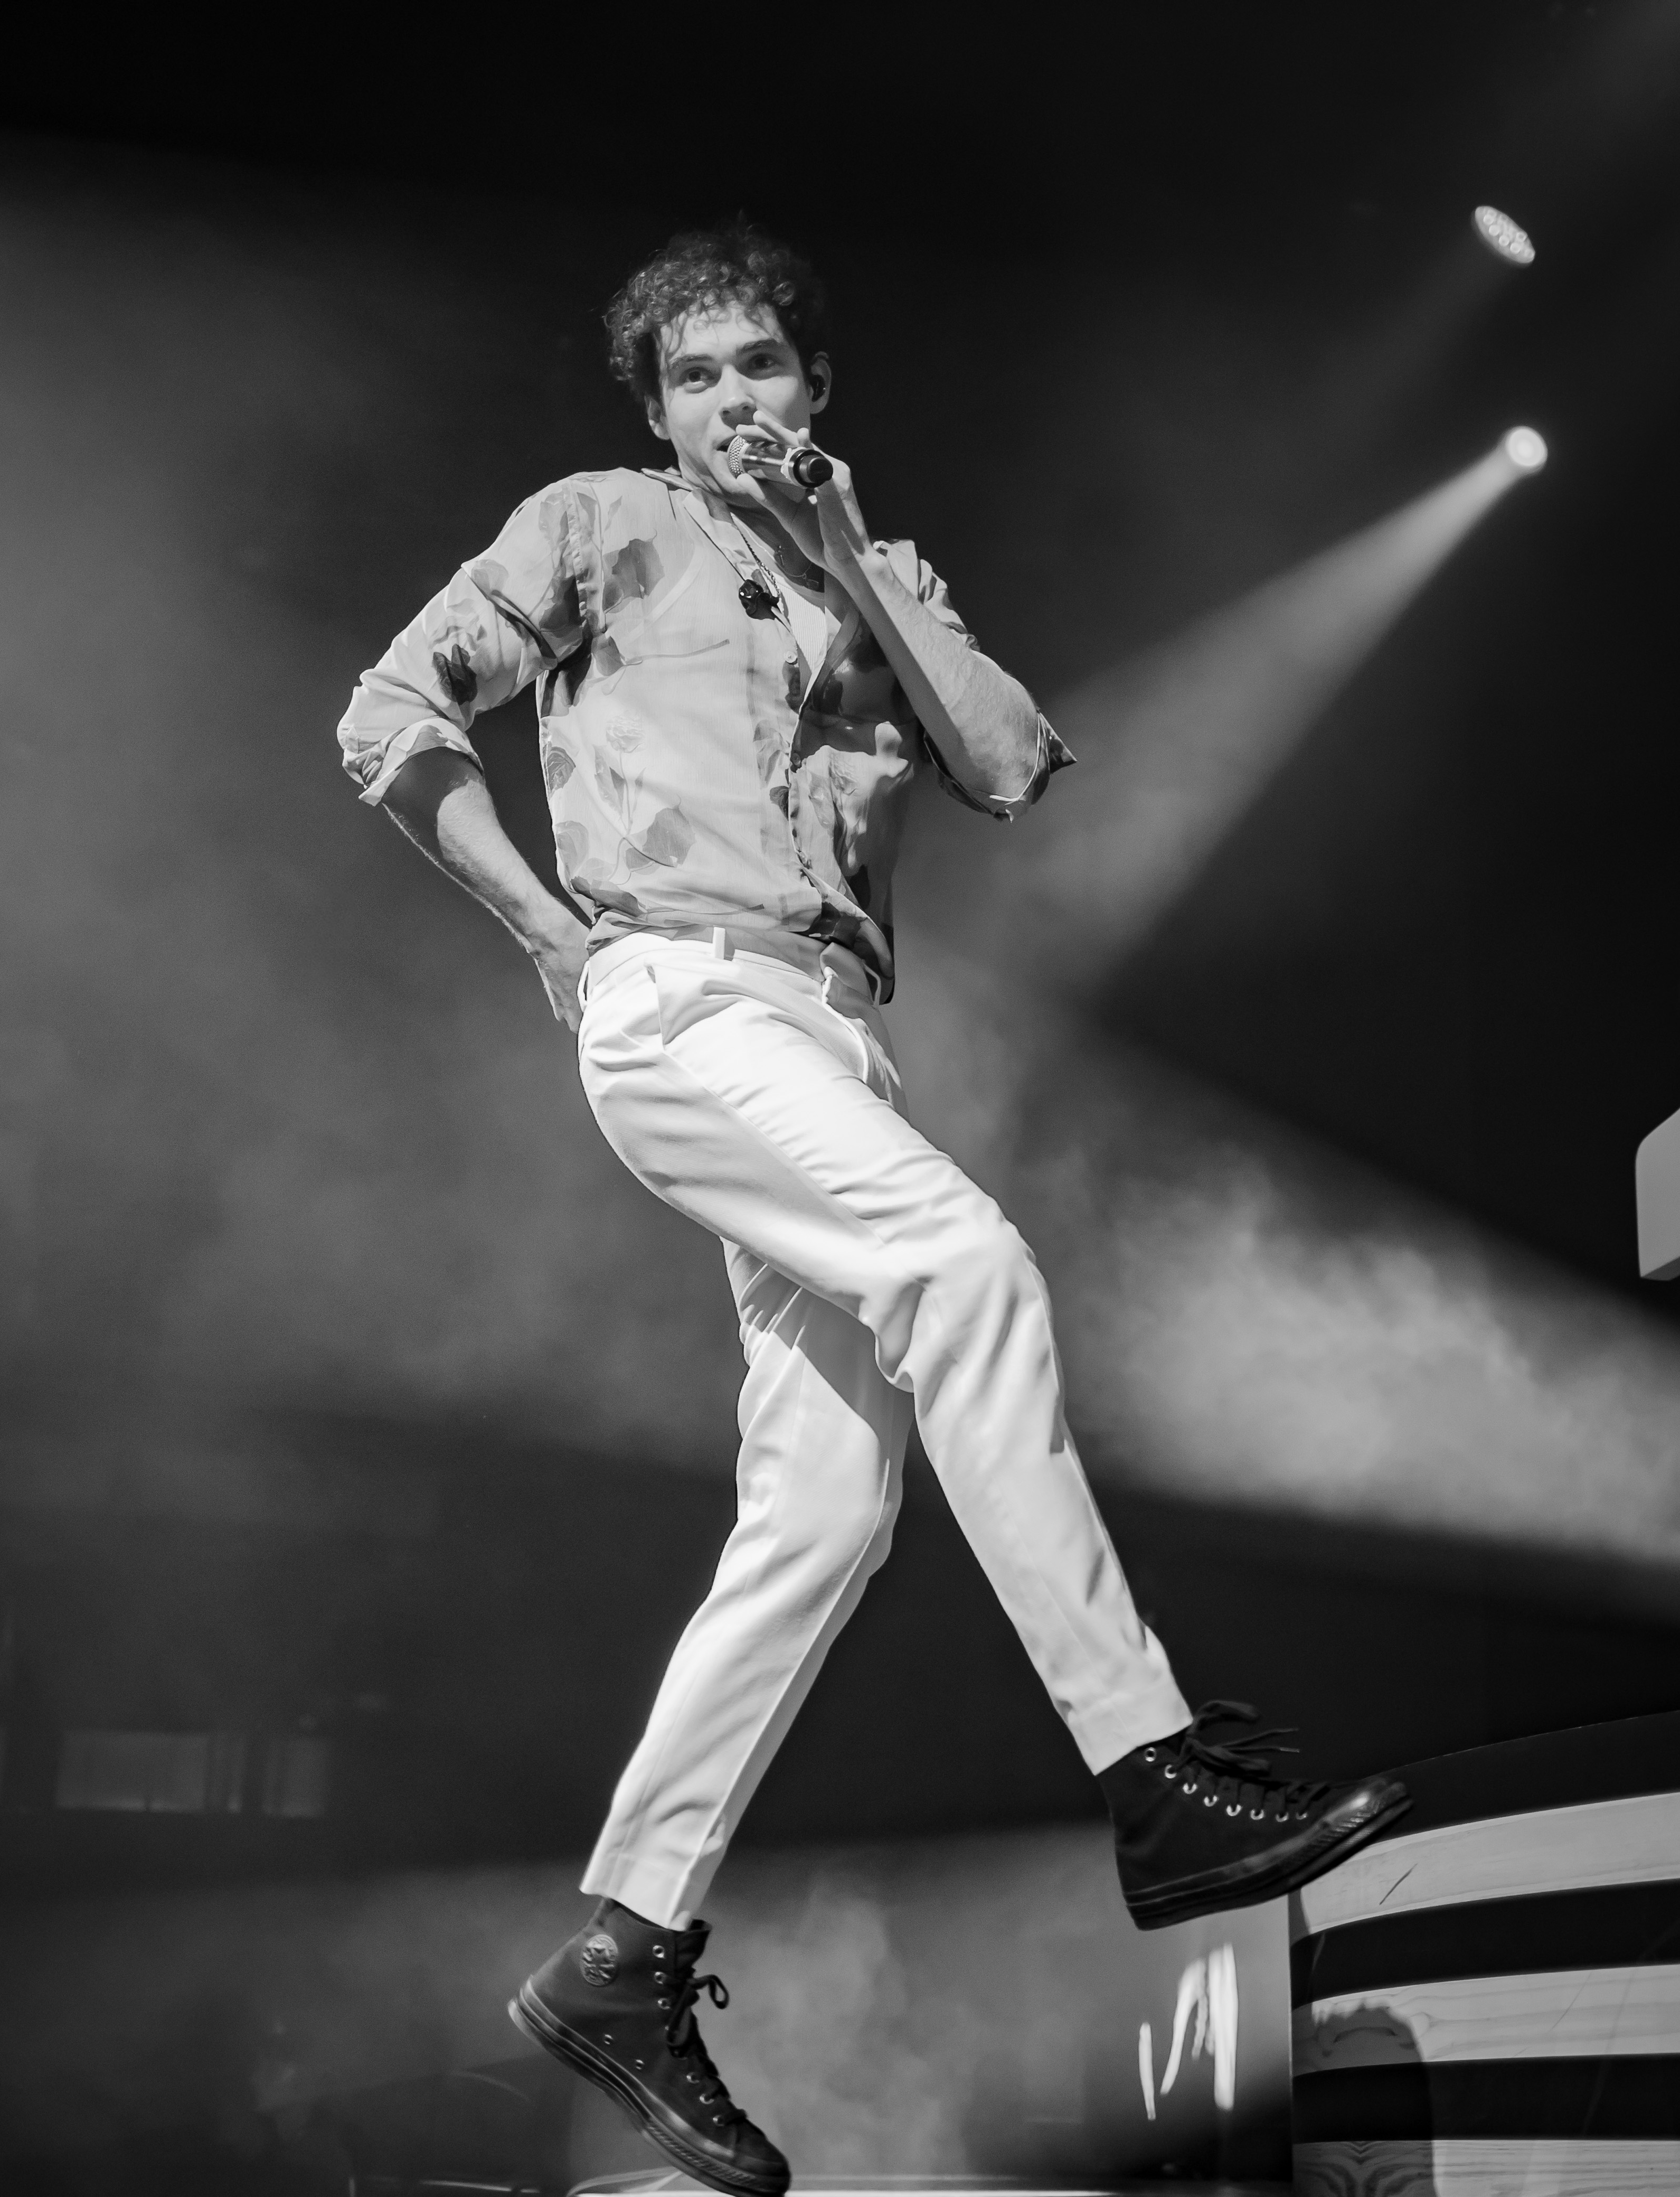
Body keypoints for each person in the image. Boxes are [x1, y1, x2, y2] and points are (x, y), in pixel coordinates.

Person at [336, 222, 1409, 2197]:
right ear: (659, 412)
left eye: (761, 367)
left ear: (816, 390)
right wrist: (554, 936)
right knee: (969, 1266)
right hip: (677, 997)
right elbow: (390, 718)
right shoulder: (596, 524)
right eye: (696, 378)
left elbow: (1001, 763)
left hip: (834, 1039)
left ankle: (621, 1951)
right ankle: (1152, 1768)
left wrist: (844, 552)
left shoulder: (878, 570)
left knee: (823, 1515)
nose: (732, 402)